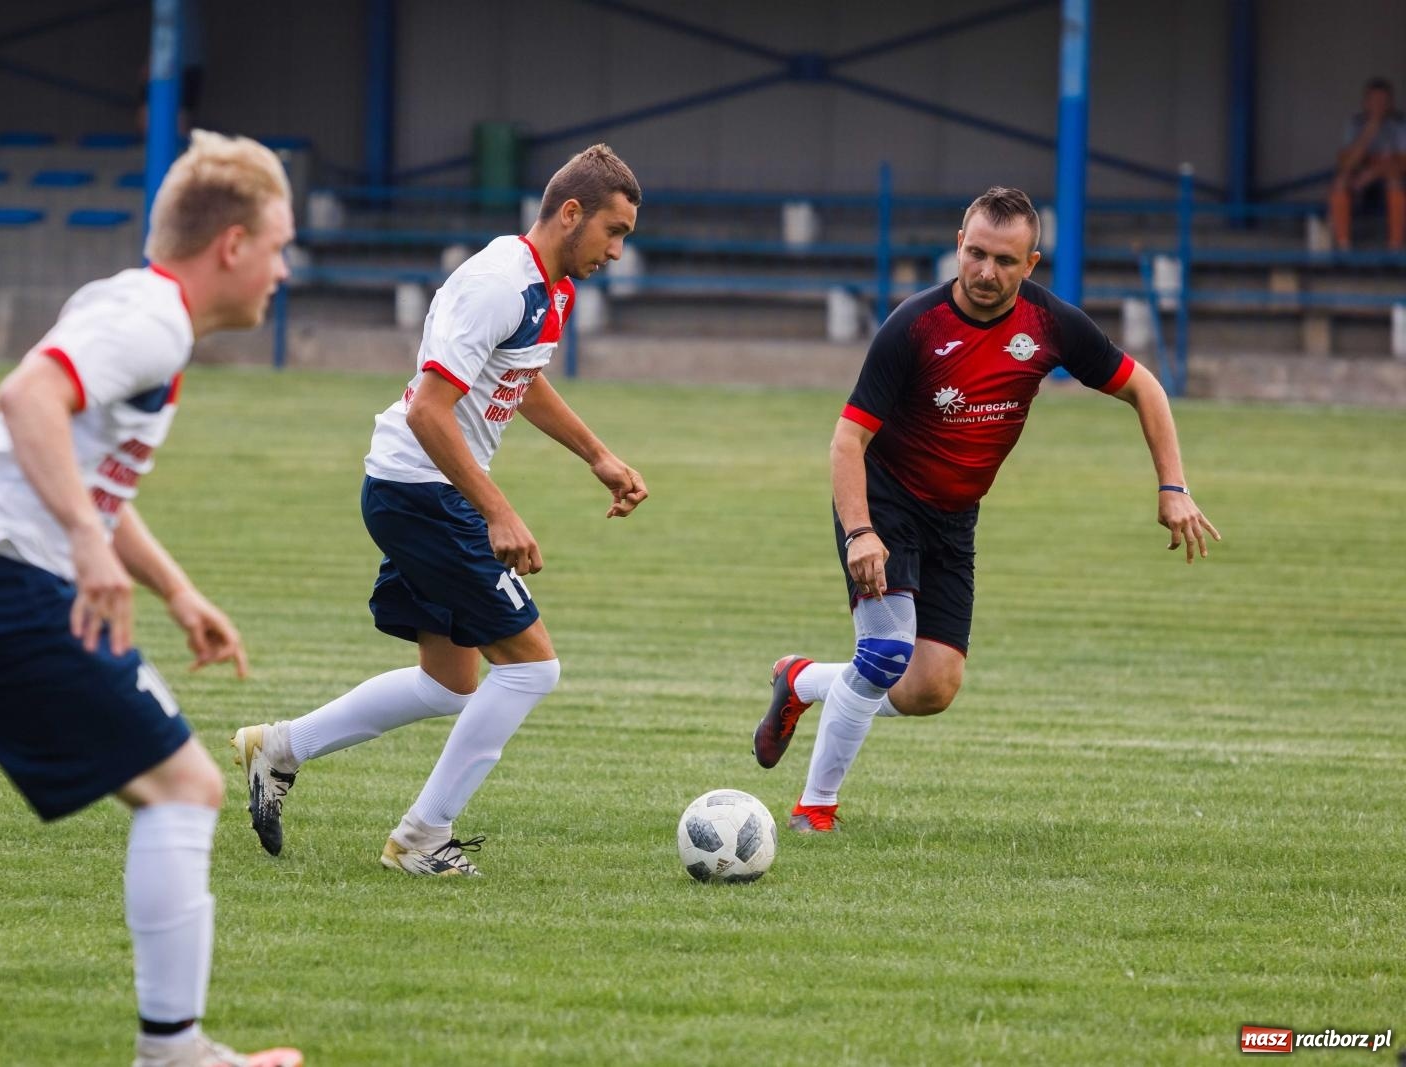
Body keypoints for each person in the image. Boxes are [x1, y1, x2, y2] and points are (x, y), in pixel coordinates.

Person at [0, 130, 302, 1067]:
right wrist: (81, 541)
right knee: (188, 789)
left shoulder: (136, 310)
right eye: (277, 247)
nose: (284, 270)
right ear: (231, 245)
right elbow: (26, 397)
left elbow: (84, 476)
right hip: (2, 589)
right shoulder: (151, 319)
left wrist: (175, 587)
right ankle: (175, 1051)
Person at [231, 144, 647, 877]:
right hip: (422, 491)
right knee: (531, 667)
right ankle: (423, 835)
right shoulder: (498, 283)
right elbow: (429, 408)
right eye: (613, 232)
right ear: (571, 212)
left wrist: (598, 457)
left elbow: (522, 379)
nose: (617, 251)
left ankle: (279, 748)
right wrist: (497, 511)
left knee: (450, 682)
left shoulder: (550, 290)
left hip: (417, 491)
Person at [752, 187, 1221, 833]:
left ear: (1030, 264)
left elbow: (1145, 387)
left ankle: (802, 681)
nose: (985, 271)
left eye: (1004, 260)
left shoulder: (1051, 324)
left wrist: (1174, 486)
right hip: (884, 498)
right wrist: (860, 530)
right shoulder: (914, 326)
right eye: (975, 253)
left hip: (955, 515)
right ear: (959, 247)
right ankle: (815, 808)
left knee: (930, 687)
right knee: (886, 653)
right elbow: (847, 439)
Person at [1328, 77, 1405, 252]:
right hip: (1359, 179)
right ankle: (1343, 244)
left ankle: (1395, 245)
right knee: (1340, 182)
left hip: (1389, 178)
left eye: (1383, 101)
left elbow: (1402, 163)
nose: (1379, 106)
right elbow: (1346, 164)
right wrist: (1370, 129)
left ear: (1390, 104)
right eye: (1374, 101)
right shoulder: (1355, 123)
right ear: (1365, 103)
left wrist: (1375, 172)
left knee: (1395, 180)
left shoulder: (1400, 125)